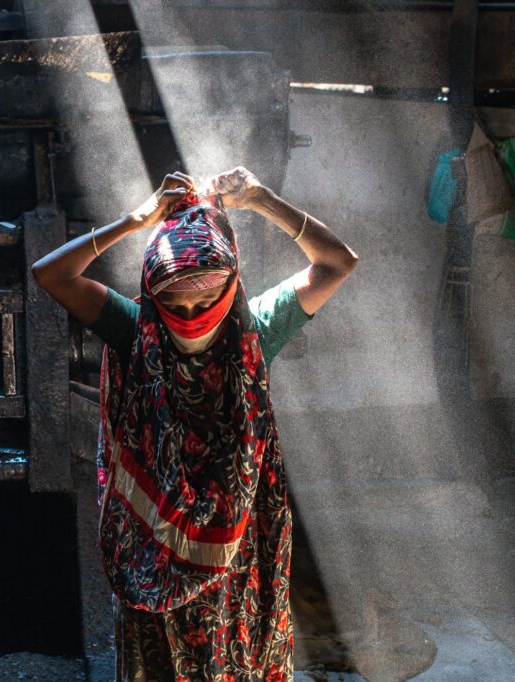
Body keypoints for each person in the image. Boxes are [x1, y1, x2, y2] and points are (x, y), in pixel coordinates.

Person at [31, 167, 358, 681]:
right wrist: (132, 221)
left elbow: (338, 263)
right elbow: (50, 275)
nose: (192, 318)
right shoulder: (133, 329)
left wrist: (263, 200)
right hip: (154, 544)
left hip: (235, 546)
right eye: (175, 306)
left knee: (228, 652)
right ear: (151, 298)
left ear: (232, 288)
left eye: (207, 302)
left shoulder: (255, 331)